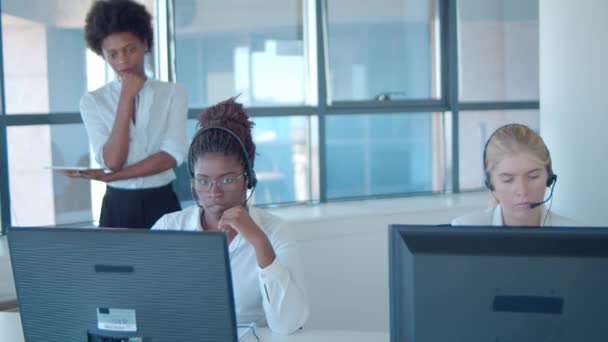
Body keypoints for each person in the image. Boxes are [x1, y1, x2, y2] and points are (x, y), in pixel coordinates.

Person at [151, 98, 309, 334]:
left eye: (227, 179)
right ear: (193, 183)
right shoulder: (169, 228)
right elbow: (145, 304)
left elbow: (288, 324)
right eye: (204, 181)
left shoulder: (274, 231)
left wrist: (258, 241)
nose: (214, 193)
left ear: (248, 178)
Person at [61, 0, 188, 228]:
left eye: (130, 49)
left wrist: (112, 176)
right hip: (117, 205)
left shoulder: (173, 94)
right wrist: (126, 97)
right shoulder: (92, 102)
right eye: (112, 54)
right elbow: (113, 160)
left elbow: (171, 156)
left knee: (166, 264)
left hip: (162, 201)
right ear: (102, 54)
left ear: (145, 44)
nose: (122, 60)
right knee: (115, 264)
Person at [452, 123, 577, 227]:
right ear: (491, 184)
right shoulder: (464, 229)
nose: (522, 191)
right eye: (508, 180)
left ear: (549, 178)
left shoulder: (575, 235)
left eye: (533, 177)